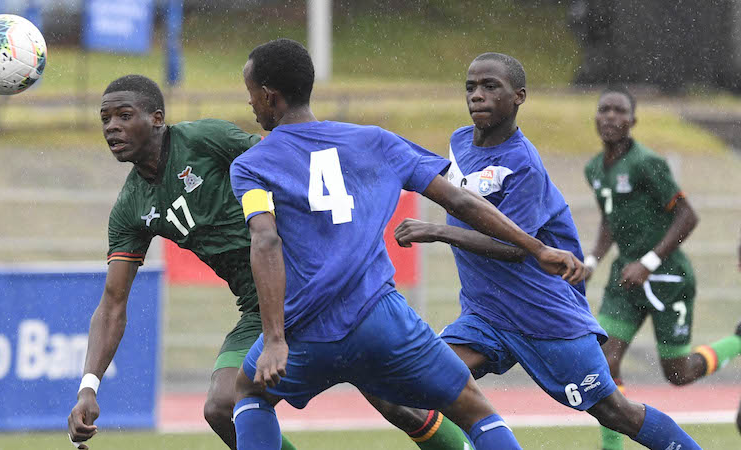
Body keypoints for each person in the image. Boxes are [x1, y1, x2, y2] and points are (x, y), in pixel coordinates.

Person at [64, 75, 473, 450]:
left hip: (322, 287)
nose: (111, 127)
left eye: (123, 115)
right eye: (104, 119)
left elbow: (287, 163)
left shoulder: (204, 139)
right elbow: (113, 303)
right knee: (222, 406)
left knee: (401, 406)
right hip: (260, 310)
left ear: (157, 118)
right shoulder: (129, 210)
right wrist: (88, 386)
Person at [229, 38, 588, 450]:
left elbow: (265, 239)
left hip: (306, 330)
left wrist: (275, 339)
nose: (251, 105)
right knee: (473, 408)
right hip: (381, 321)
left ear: (269, 96)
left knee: (250, 393)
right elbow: (459, 198)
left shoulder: (252, 164)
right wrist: (536, 247)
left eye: (251, 94)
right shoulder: (374, 141)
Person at [386, 53, 701, 450]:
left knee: (614, 412)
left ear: (519, 97)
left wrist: (437, 231)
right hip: (486, 316)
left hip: (546, 317)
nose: (477, 96)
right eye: (471, 87)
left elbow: (511, 247)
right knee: (414, 384)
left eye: (490, 87)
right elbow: (437, 174)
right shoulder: (459, 142)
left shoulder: (523, 165)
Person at [583, 85, 741, 449]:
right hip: (625, 279)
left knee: (678, 373)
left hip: (669, 279)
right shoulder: (594, 168)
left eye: (619, 111)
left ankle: (737, 341)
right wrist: (592, 259)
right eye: (604, 109)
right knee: (603, 363)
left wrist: (649, 262)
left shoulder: (646, 163)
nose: (610, 116)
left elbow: (688, 216)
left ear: (633, 121)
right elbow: (611, 218)